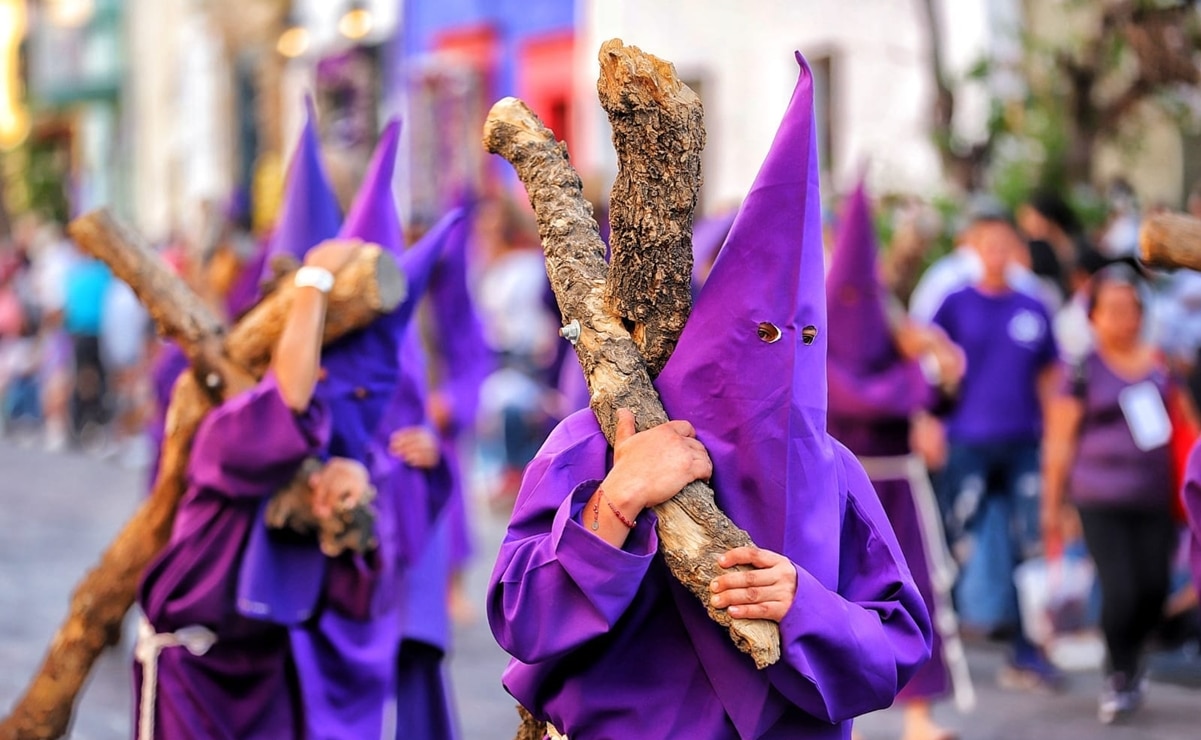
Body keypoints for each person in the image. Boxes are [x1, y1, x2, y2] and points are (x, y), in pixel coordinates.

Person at [488, 53, 931, 738]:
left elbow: (895, 645)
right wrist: (616, 502)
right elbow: (521, 618)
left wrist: (804, 605)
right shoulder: (596, 443)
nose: (784, 353)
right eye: (760, 334)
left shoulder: (832, 472)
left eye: (806, 336)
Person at [133, 237, 366, 739]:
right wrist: (313, 282)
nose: (321, 372)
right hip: (195, 667)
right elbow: (288, 400)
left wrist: (351, 501)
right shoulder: (228, 432)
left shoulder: (321, 452)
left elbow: (357, 588)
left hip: (264, 669)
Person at [827, 182, 972, 740]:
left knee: (914, 591)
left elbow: (937, 399)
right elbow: (860, 398)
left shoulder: (895, 330)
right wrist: (922, 371)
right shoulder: (820, 332)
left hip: (899, 486)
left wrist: (942, 368)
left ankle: (919, 716)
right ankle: (845, 718)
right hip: (841, 488)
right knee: (838, 599)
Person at [930, 208, 1063, 690]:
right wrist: (929, 419)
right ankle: (929, 649)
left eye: (1005, 245)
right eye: (988, 245)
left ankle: (1027, 651)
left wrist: (1055, 440)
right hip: (968, 440)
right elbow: (927, 359)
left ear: (1017, 251)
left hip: (1023, 442)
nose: (997, 254)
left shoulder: (1034, 306)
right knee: (954, 543)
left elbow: (1051, 377)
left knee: (1028, 547)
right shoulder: (953, 303)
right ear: (974, 249)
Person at [1042, 265, 1179, 723]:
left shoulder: (1160, 365)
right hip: (1098, 498)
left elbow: (1183, 424)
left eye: (1131, 309)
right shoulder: (1082, 369)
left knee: (1154, 587)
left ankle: (1133, 658)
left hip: (1155, 497)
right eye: (1113, 310)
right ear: (1093, 317)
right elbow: (1059, 442)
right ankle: (1119, 673)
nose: (1125, 319)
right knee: (1120, 589)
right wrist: (1053, 505)